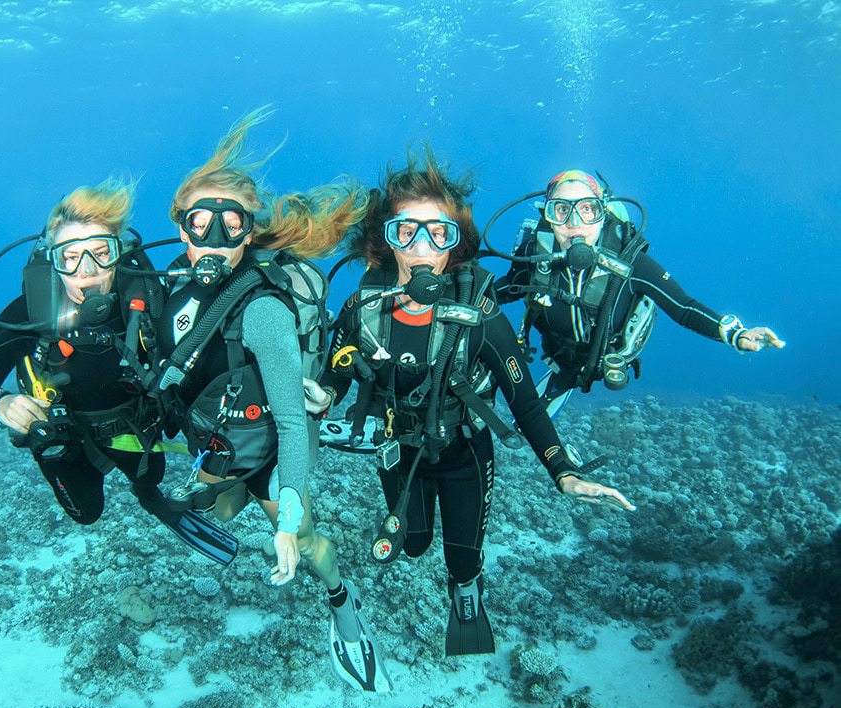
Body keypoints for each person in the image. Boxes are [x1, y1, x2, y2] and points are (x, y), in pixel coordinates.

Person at [311, 151, 635, 658]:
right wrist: (316, 397)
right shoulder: (361, 311)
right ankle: (421, 549)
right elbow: (333, 377)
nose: (422, 248)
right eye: (406, 232)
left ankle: (467, 596)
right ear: (384, 240)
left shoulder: (479, 316)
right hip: (398, 452)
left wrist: (563, 472)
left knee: (462, 562)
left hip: (466, 453)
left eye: (438, 234)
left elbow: (525, 404)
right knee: (413, 545)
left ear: (455, 243)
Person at [152, 108, 392, 692]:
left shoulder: (262, 310)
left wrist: (284, 519)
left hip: (273, 449)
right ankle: (230, 500)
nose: (211, 239)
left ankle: (343, 604)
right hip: (219, 440)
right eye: (197, 223)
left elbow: (287, 418)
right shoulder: (164, 294)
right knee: (211, 510)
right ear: (179, 227)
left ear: (248, 231)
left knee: (305, 543)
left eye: (229, 225)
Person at [0, 180, 219, 546]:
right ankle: (65, 457)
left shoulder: (148, 297)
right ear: (53, 259)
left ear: (118, 252)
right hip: (66, 431)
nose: (86, 270)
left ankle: (144, 492)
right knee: (86, 513)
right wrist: (0, 401)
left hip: (133, 423)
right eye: (69, 256)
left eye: (100, 252)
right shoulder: (32, 313)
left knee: (151, 480)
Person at [494, 170, 785, 416]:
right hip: (557, 352)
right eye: (561, 209)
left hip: (608, 354)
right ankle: (563, 378)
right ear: (548, 215)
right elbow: (508, 288)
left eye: (587, 209)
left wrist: (735, 334)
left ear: (602, 213)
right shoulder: (535, 252)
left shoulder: (628, 259)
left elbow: (682, 307)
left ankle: (566, 380)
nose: (574, 222)